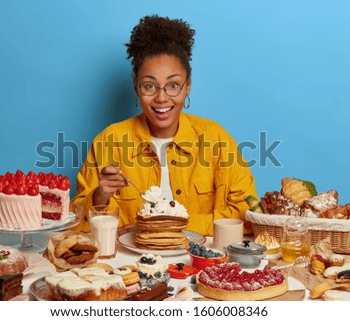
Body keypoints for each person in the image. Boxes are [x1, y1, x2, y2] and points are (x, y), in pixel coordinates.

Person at [71, 15, 258, 236]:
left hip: (199, 261)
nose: (161, 98)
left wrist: (172, 224)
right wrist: (100, 195)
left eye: (173, 85)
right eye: (150, 85)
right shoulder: (108, 141)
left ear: (187, 86)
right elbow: (75, 222)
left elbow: (248, 213)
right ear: (136, 87)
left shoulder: (216, 139)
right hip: (127, 264)